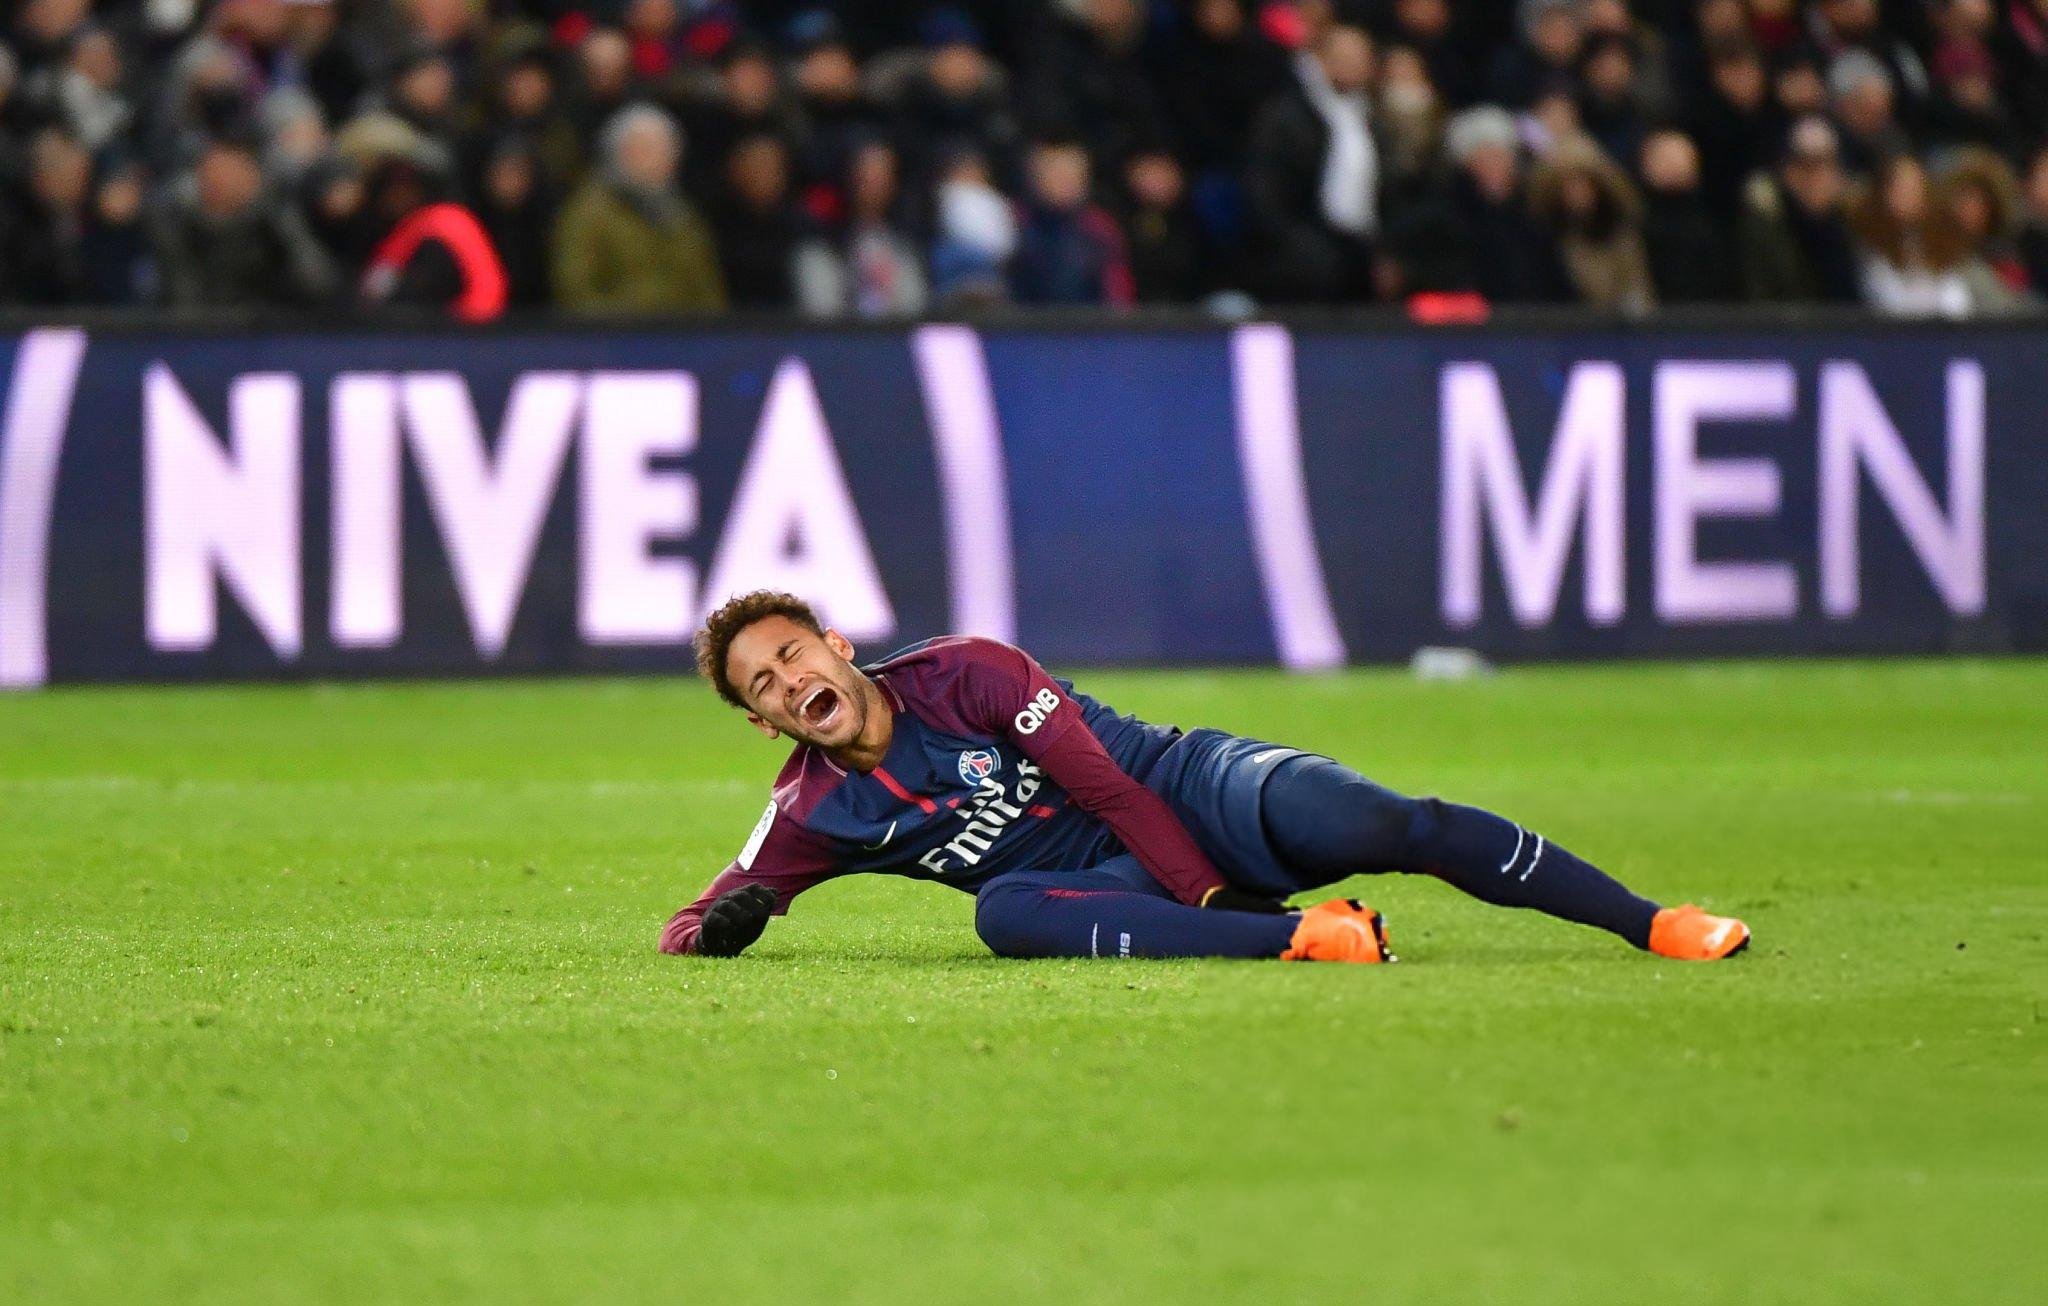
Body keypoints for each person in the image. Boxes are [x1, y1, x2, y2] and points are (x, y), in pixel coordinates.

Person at [659, 591, 1752, 964]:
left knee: (1386, 822)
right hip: (1116, 883)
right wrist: (723, 930)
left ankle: (1651, 922)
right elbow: (686, 926)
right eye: (765, 684)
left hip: (1189, 788)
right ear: (763, 722)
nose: (789, 680)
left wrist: (1216, 896)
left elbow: (1113, 792)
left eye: (792, 653)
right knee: (1004, 911)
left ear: (837, 645)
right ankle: (1306, 940)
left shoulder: (970, 672)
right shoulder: (809, 809)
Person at [1245, 23, 1381, 303]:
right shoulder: (1287, 115)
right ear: (1320, 59)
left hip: (1365, 244)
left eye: (1359, 58)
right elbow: (1267, 192)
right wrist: (1298, 244)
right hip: (1305, 243)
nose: (1352, 65)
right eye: (1343, 57)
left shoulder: (1375, 118)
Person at [552, 102, 725, 313]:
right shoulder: (588, 214)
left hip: (686, 330)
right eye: (648, 150)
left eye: (668, 151)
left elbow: (707, 287)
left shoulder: (683, 216)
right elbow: (576, 293)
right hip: (619, 330)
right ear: (620, 153)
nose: (662, 160)